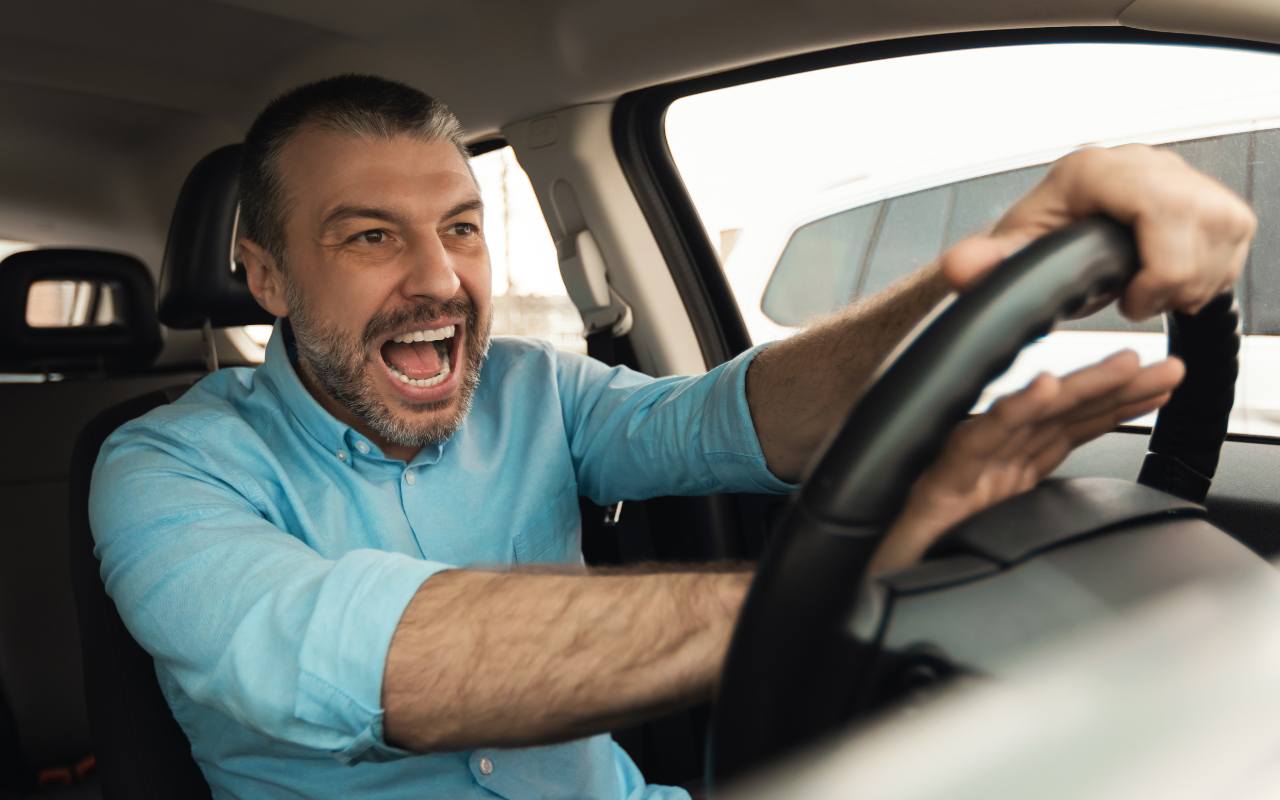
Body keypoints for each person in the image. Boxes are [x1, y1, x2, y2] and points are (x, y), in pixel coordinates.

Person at [88, 74, 1252, 799]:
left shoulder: (534, 389)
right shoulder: (160, 467)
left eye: (458, 227)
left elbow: (729, 417)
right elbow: (374, 662)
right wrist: (856, 569)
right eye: (368, 237)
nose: (439, 280)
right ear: (266, 274)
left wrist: (981, 274)